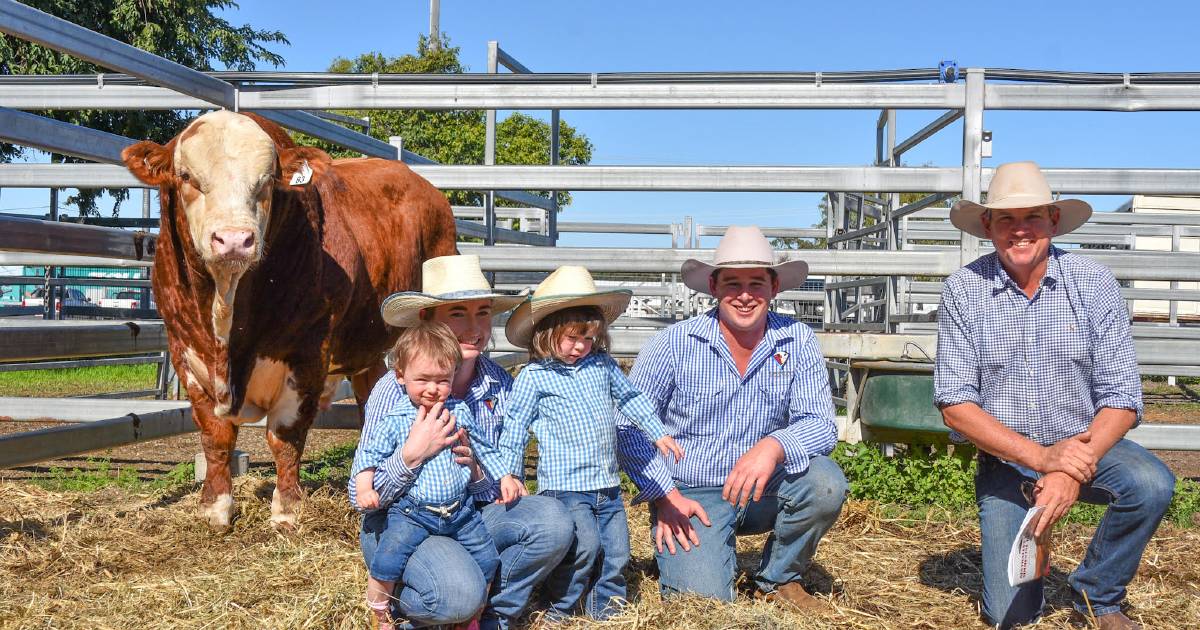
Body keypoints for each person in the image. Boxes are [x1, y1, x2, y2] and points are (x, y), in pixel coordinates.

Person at [934, 161, 1175, 630]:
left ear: (1054, 221)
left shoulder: (1093, 283)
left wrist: (1069, 464)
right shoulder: (964, 290)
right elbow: (956, 406)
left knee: (1149, 483)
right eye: (1006, 219)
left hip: (1086, 445)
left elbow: (1122, 397)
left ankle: (1099, 594)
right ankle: (1031, 569)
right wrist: (1044, 460)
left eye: (1032, 217)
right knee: (1010, 615)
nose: (1019, 230)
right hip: (1006, 458)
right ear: (987, 226)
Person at [616, 225, 847, 611]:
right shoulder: (674, 343)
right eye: (732, 283)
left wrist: (774, 446)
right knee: (703, 602)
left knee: (824, 482)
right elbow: (629, 427)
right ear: (713, 285)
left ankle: (778, 578)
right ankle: (689, 555)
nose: (744, 295)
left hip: (763, 487)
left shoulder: (797, 339)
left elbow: (822, 424)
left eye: (756, 283)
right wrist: (665, 495)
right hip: (691, 492)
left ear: (774, 287)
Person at [360, 254, 575, 629]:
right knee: (455, 595)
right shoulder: (392, 391)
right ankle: (419, 608)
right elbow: (357, 493)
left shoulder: (499, 384)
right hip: (404, 519)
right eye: (457, 313)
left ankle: (490, 616)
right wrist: (411, 455)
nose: (474, 327)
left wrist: (477, 471)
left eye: (483, 312)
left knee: (552, 521)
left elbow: (497, 471)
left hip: (465, 514)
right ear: (428, 319)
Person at [495, 266, 684, 620]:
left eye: (588, 338)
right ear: (546, 333)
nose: (580, 346)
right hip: (566, 486)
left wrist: (658, 431)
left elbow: (630, 398)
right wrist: (511, 473)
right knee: (583, 549)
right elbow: (515, 426)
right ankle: (558, 607)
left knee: (616, 552)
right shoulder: (535, 377)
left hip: (607, 484)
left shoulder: (603, 366)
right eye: (571, 338)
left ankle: (606, 612)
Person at [350, 321, 509, 630]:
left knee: (489, 561)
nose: (433, 388)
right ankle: (381, 613)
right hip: (412, 512)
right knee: (388, 562)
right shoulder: (396, 419)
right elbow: (368, 456)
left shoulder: (459, 411)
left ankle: (474, 618)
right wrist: (365, 487)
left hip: (460, 512)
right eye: (422, 379)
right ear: (400, 376)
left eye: (442, 379)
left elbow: (486, 448)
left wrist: (504, 477)